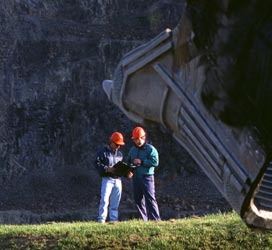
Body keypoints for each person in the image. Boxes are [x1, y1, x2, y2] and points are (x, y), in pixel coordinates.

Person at [126, 126, 161, 221]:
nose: (138, 141)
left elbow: (155, 162)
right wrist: (128, 170)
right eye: (136, 139)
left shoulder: (150, 149)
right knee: (138, 199)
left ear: (144, 137)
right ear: (133, 139)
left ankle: (156, 220)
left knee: (150, 198)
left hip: (147, 177)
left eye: (140, 138)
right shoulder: (132, 150)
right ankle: (144, 219)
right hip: (136, 178)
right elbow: (128, 161)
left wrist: (142, 162)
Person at [95, 131, 128, 223]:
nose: (119, 146)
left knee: (115, 202)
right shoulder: (103, 153)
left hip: (118, 179)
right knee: (104, 200)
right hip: (107, 179)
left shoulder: (120, 154)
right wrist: (106, 168)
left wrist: (126, 172)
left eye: (120, 145)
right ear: (112, 142)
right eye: (117, 144)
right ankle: (101, 220)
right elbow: (96, 164)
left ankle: (113, 220)